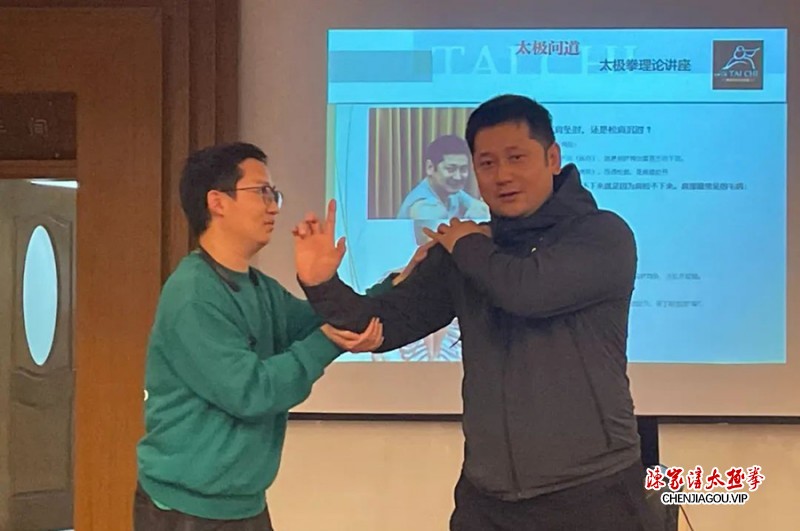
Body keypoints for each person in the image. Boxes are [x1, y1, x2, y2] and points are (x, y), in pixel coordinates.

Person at [293, 95, 659, 530]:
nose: (502, 175)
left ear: (552, 158)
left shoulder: (601, 235)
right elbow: (383, 324)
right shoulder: (467, 251)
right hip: (487, 499)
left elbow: (526, 292)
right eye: (486, 164)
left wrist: (465, 243)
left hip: (593, 491)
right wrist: (322, 283)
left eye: (516, 158)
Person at [134, 142, 384, 531]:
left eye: (274, 194)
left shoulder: (258, 287)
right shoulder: (193, 293)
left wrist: (336, 283)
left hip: (243, 504)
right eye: (262, 192)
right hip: (186, 511)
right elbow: (251, 392)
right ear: (217, 202)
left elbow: (323, 322)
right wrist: (328, 341)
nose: (274, 207)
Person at [396, 134, 489, 225]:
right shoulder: (424, 207)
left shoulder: (451, 192)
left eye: (463, 169)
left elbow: (479, 208)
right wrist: (471, 222)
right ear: (430, 167)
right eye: (450, 169)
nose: (458, 177)